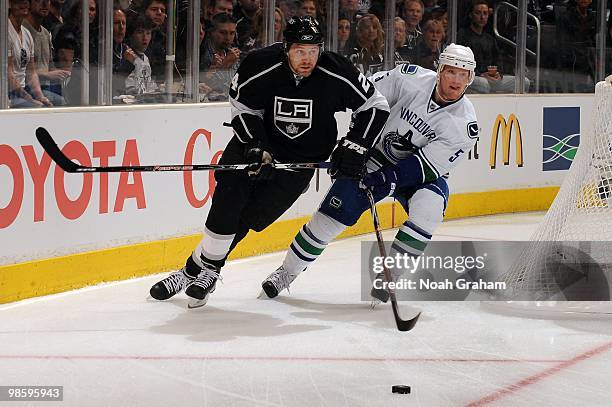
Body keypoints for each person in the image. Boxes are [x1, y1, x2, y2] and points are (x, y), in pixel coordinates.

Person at [149, 16, 389, 307]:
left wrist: (355, 145)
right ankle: (209, 270)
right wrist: (255, 145)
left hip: (301, 161)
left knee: (251, 217)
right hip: (256, 145)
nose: (307, 58)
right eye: (300, 50)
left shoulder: (336, 71)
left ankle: (192, 270)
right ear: (285, 47)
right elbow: (242, 105)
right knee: (230, 192)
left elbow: (375, 106)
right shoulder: (260, 64)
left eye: (313, 51)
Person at [259, 44, 479, 302]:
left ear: (470, 79)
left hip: (417, 175)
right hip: (373, 157)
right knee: (330, 217)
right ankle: (286, 272)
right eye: (451, 72)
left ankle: (391, 276)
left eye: (463, 75)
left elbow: (425, 166)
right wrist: (356, 145)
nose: (456, 80)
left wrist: (384, 181)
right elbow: (366, 101)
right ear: (440, 70)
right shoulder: (408, 79)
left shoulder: (464, 125)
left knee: (429, 209)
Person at [457, 0, 529, 93]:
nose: (482, 17)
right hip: (472, 77)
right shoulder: (462, 35)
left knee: (524, 82)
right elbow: (462, 63)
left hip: (491, 78)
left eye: (485, 13)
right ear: (471, 15)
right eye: (478, 13)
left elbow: (498, 59)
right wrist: (481, 74)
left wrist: (498, 74)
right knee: (484, 84)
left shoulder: (490, 39)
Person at [7, 0, 54, 108]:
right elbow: (7, 74)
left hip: (23, 90)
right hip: (8, 93)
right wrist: (29, 99)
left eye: (26, 2)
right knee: (38, 107)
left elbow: (31, 72)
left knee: (56, 101)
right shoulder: (5, 31)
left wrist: (40, 96)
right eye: (19, 2)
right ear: (10, 4)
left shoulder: (26, 34)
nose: (24, 5)